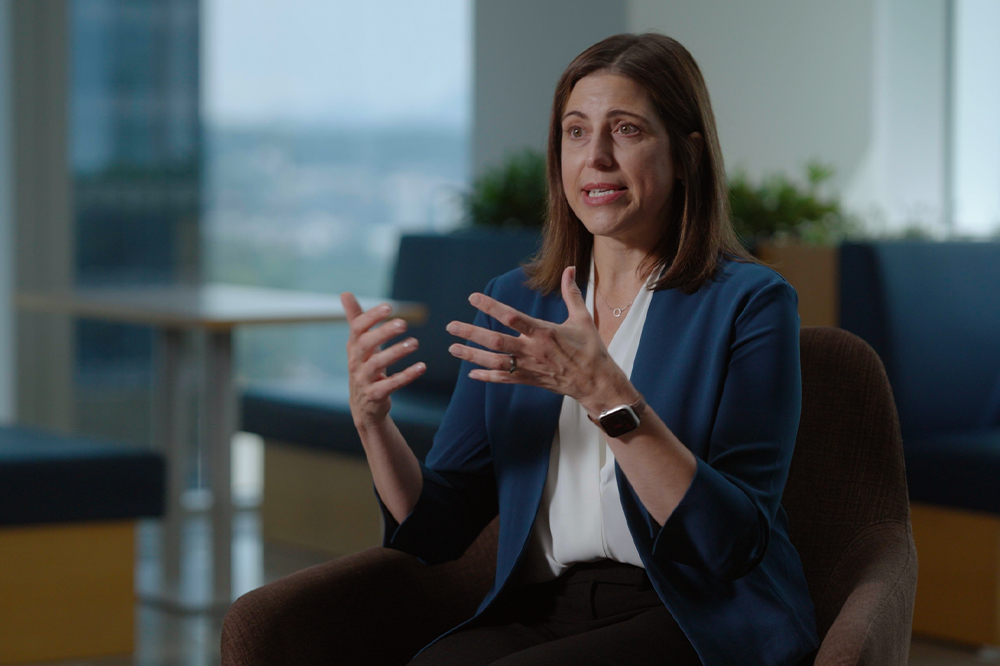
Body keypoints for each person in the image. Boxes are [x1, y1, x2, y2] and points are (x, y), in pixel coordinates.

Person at [340, 33, 818, 666]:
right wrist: (373, 425)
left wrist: (604, 392)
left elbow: (727, 544)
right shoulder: (517, 300)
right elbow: (438, 527)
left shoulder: (749, 302)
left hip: (693, 613)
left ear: (686, 155)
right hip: (548, 608)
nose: (595, 158)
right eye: (575, 131)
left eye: (626, 131)